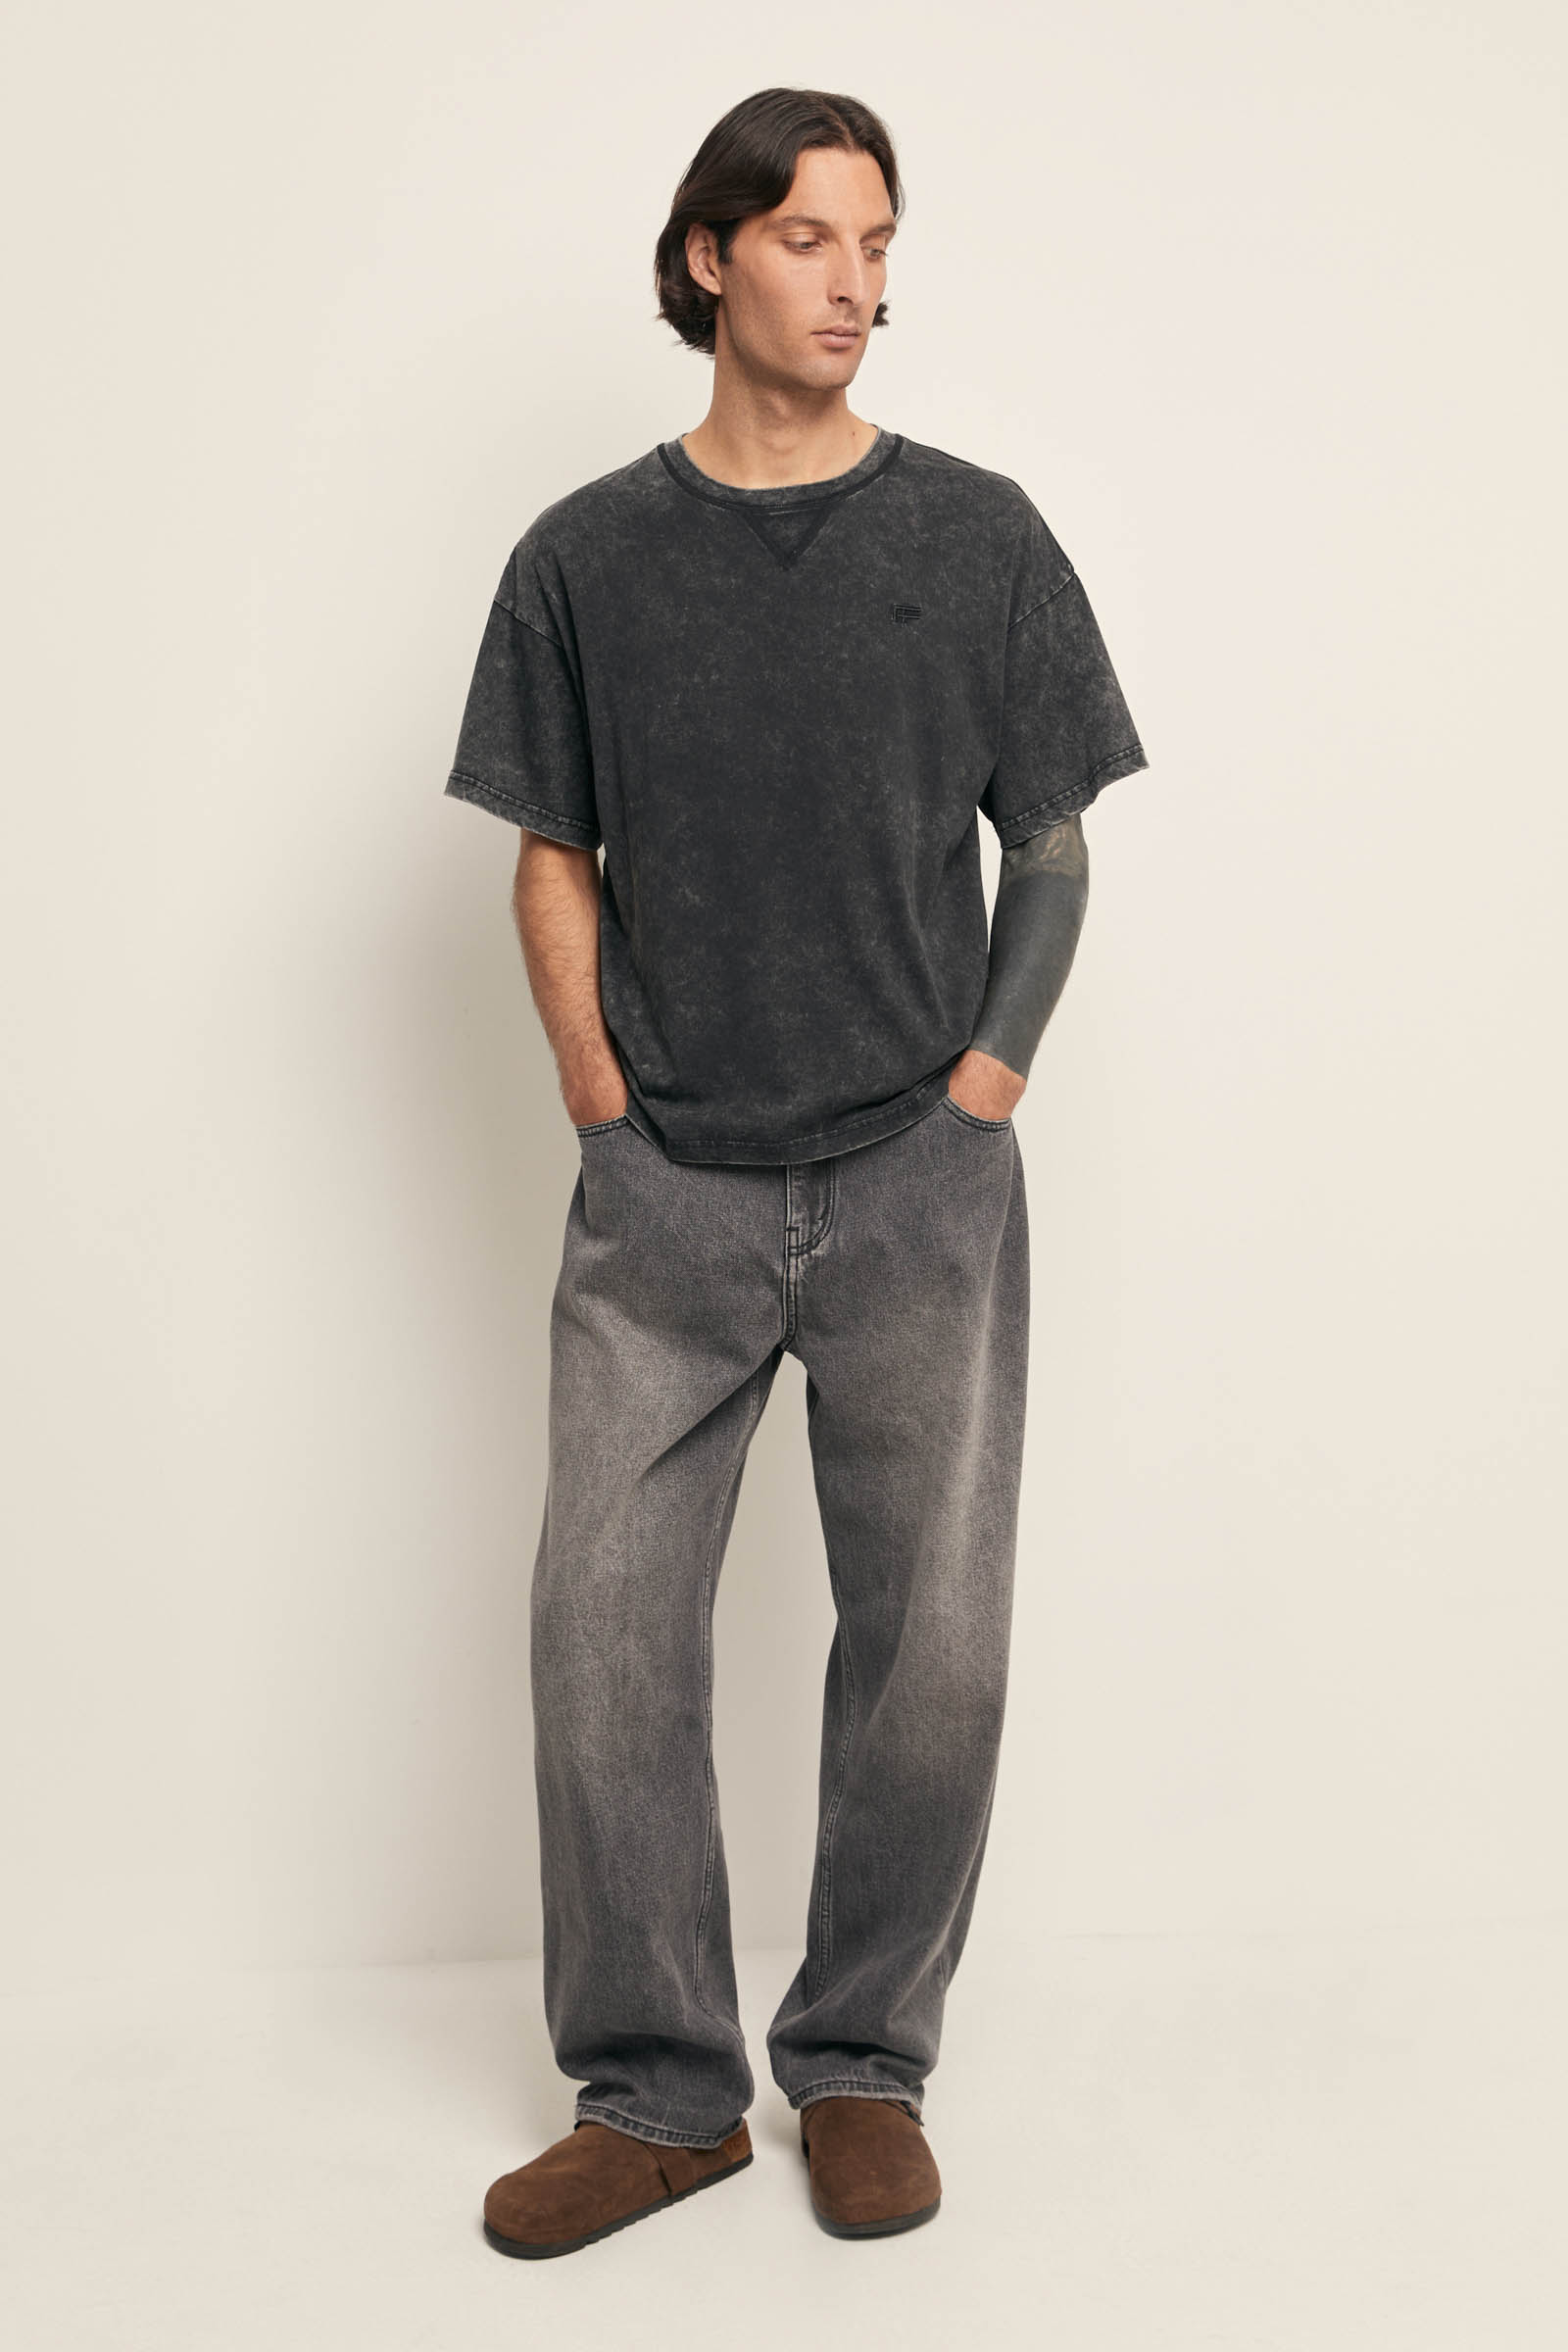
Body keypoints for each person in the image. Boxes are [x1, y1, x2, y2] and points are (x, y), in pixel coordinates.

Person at [444, 87, 1150, 2259]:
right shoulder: (583, 558)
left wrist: (983, 1092)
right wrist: (597, 1103)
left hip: (918, 1174)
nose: (857, 284)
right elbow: (550, 853)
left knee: (930, 1647)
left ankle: (859, 2065)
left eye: (878, 243)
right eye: (812, 238)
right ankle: (656, 2095)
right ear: (708, 257)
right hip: (661, 1191)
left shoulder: (978, 535)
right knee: (599, 1630)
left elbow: (1050, 846)